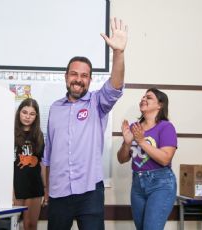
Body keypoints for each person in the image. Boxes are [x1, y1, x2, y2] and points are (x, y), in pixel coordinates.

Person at [42, 17, 128, 230]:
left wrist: (118, 53)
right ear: (65, 77)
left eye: (84, 76)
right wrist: (46, 189)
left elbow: (115, 85)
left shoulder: (98, 103)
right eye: (74, 74)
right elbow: (48, 155)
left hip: (90, 191)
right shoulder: (54, 109)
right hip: (58, 192)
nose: (78, 79)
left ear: (90, 80)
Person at [117, 88, 178, 230]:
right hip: (137, 184)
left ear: (160, 105)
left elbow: (165, 159)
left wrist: (142, 142)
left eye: (149, 97)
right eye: (143, 97)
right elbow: (122, 159)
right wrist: (127, 143)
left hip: (161, 184)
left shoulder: (166, 127)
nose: (143, 99)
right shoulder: (134, 127)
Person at [13, 98, 48, 230]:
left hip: (34, 186)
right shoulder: (10, 133)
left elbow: (42, 164)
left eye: (32, 114)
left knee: (30, 225)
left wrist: (45, 189)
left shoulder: (39, 136)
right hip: (16, 186)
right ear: (19, 113)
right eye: (24, 112)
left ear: (36, 116)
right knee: (12, 224)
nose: (27, 117)